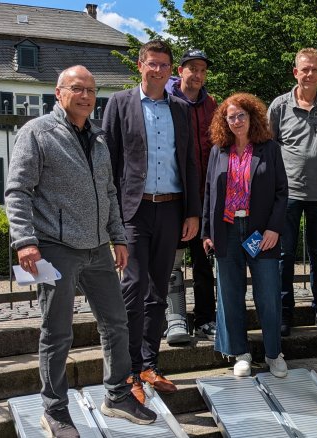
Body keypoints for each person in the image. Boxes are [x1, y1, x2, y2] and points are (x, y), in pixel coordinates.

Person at [5, 65, 156, 437]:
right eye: (77, 88)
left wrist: (118, 237)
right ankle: (54, 409)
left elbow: (108, 193)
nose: (86, 96)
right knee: (57, 333)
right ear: (59, 93)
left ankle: (117, 395)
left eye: (91, 89)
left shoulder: (99, 138)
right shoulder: (37, 133)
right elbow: (18, 191)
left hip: (97, 249)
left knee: (116, 324)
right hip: (55, 249)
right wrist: (25, 241)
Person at [102, 40, 200, 404]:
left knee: (159, 288)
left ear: (171, 70)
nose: (158, 70)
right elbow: (109, 164)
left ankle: (148, 365)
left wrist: (193, 212)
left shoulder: (180, 109)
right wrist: (112, 219)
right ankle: (127, 371)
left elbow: (189, 162)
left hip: (172, 209)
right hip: (134, 210)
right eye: (152, 64)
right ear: (140, 65)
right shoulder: (119, 103)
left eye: (164, 65)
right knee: (134, 285)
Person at [201, 93, 289, 378]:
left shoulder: (269, 149)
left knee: (268, 294)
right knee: (230, 294)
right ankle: (241, 353)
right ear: (224, 121)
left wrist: (274, 228)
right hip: (226, 231)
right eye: (231, 117)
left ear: (252, 117)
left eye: (242, 115)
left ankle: (274, 353)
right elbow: (208, 194)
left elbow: (281, 192)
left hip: (260, 232)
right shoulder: (219, 150)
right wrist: (207, 231)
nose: (237, 121)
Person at [268, 47, 317, 336]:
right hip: (286, 194)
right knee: (284, 255)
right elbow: (269, 147)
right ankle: (283, 313)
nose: (310, 73)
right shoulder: (279, 106)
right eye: (305, 69)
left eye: (315, 69)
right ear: (295, 72)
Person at [162, 49, 219, 345]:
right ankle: (172, 317)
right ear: (180, 71)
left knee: (202, 261)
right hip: (173, 194)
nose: (197, 75)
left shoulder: (211, 104)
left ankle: (205, 319)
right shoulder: (166, 101)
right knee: (168, 262)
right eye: (192, 69)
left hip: (203, 196)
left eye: (202, 70)